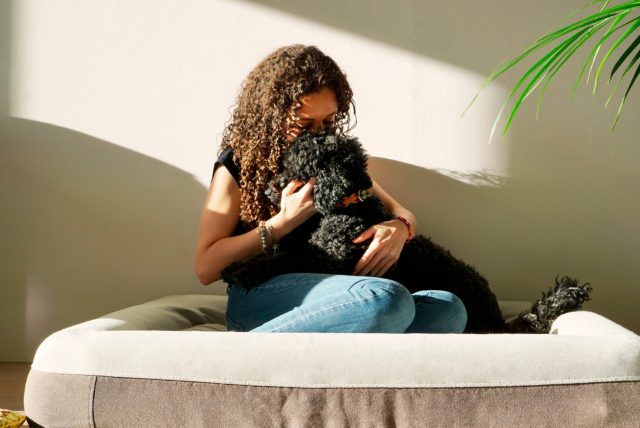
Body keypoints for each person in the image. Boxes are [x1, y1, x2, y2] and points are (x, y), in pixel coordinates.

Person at [195, 44, 467, 333]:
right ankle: (246, 353)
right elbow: (205, 267)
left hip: (338, 295)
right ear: (273, 119)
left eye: (328, 122)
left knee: (449, 308)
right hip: (259, 296)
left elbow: (400, 211)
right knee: (388, 300)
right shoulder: (239, 165)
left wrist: (398, 229)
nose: (319, 134)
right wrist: (282, 223)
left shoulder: (332, 158)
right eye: (303, 124)